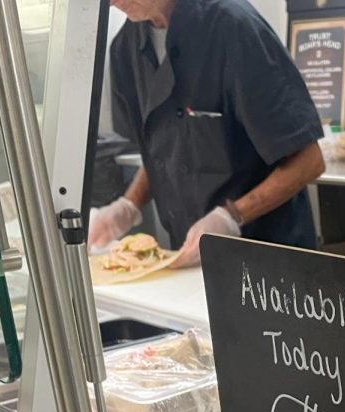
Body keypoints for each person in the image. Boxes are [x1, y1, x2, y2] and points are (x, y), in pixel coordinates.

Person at [90, 0, 326, 266]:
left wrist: (231, 216)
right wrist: (127, 206)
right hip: (190, 257)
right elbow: (163, 151)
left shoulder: (234, 28)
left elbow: (308, 161)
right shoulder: (125, 49)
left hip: (270, 258)